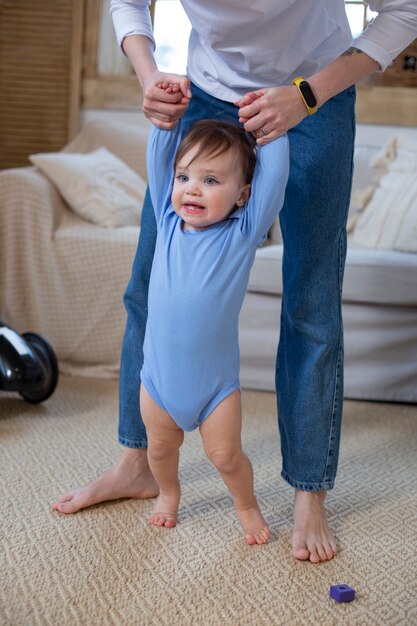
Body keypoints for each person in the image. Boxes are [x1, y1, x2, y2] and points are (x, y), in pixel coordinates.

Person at [53, 0, 417, 563]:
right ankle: (138, 464)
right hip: (206, 91)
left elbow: (405, 11)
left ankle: (308, 491)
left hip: (314, 90)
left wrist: (307, 94)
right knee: (147, 284)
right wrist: (149, 76)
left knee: (311, 305)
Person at [139, 87, 288, 543]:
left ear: (242, 195)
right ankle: (168, 494)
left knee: (225, 456)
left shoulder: (242, 234)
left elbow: (275, 178)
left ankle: (245, 504)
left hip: (215, 387)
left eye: (210, 180)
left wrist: (271, 133)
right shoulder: (166, 222)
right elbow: (159, 160)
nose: (191, 189)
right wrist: (166, 124)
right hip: (158, 380)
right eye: (185, 177)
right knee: (161, 449)